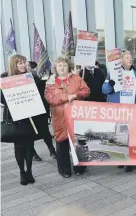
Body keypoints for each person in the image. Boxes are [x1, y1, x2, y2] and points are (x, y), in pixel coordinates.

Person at [102, 50, 136, 172]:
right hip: (117, 108)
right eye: (127, 57)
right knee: (119, 135)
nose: (130, 59)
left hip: (132, 108)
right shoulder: (114, 73)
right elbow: (104, 90)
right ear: (121, 60)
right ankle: (121, 158)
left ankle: (129, 160)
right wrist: (109, 85)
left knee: (131, 135)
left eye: (130, 57)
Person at [45, 57, 90, 178]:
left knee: (78, 143)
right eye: (59, 65)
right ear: (55, 68)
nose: (62, 67)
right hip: (60, 118)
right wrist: (66, 98)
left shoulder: (76, 78)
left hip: (76, 117)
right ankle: (64, 170)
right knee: (62, 144)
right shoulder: (51, 83)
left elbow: (86, 90)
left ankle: (80, 167)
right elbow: (50, 99)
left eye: (64, 65)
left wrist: (76, 94)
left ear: (68, 66)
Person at [0, 55, 41, 185]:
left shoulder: (31, 77)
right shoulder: (5, 78)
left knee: (29, 145)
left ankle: (29, 171)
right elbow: (2, 99)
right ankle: (22, 172)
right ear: (14, 65)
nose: (23, 65)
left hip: (30, 116)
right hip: (14, 116)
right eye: (20, 63)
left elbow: (38, 93)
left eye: (24, 63)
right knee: (19, 146)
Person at [26, 61, 56, 161]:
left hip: (39, 109)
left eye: (26, 65)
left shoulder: (36, 77)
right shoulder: (14, 79)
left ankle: (52, 150)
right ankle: (33, 153)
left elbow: (43, 90)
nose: (25, 67)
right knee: (28, 134)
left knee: (45, 132)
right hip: (26, 112)